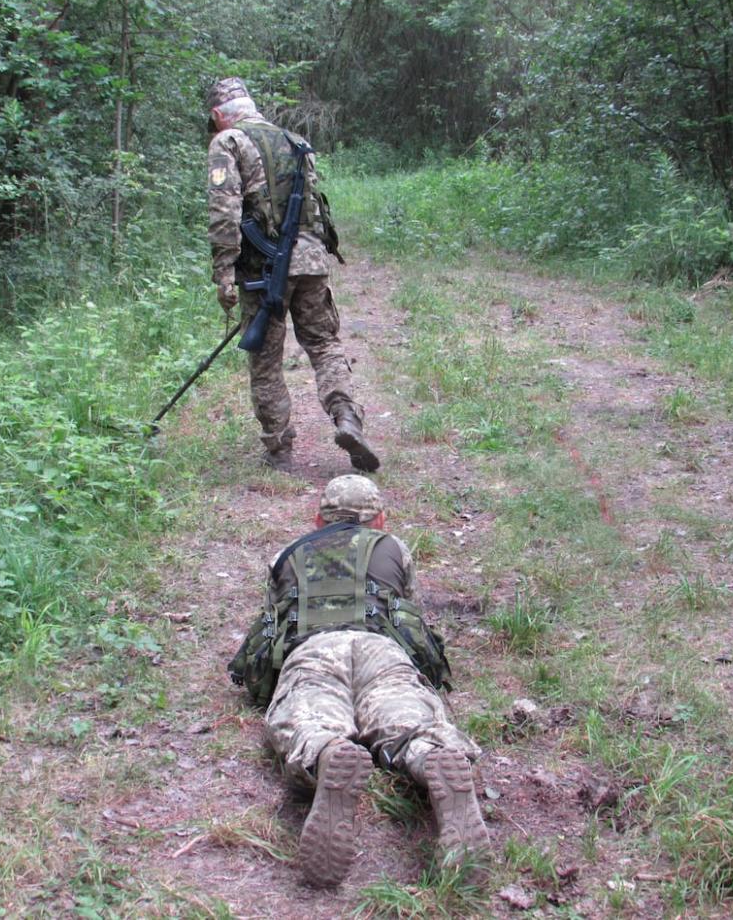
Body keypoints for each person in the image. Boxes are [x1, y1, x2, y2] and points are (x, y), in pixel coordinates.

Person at [228, 475, 488, 888]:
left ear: (317, 520)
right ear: (380, 519)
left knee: (308, 713)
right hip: (379, 648)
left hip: (313, 648)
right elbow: (410, 613)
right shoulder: (393, 548)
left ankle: (327, 751)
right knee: (404, 713)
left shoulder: (285, 556)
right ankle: (431, 755)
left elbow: (273, 621)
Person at [205, 77, 379, 474]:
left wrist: (224, 273)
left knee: (266, 360)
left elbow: (224, 211)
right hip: (312, 260)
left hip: (263, 270)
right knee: (324, 344)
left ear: (219, 115)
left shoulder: (228, 142)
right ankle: (347, 416)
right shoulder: (295, 140)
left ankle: (279, 449)